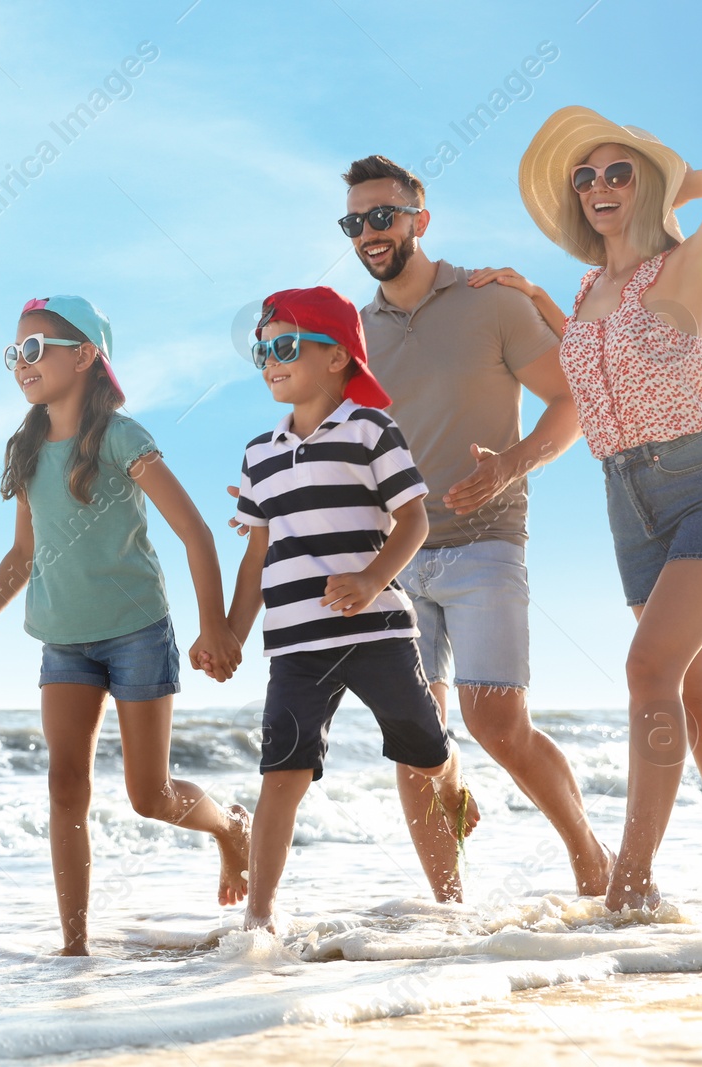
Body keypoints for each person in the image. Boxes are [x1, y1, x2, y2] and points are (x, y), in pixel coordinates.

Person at [517, 106, 702, 911]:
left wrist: (673, 182)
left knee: (649, 670)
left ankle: (628, 888)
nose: (599, 186)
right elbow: (590, 363)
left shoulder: (679, 271)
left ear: (646, 187)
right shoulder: (586, 288)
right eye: (585, 176)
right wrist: (532, 294)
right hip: (627, 503)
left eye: (619, 172)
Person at [0, 295, 251, 954]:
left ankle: (228, 827)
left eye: (34, 349)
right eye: (13, 353)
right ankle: (74, 946)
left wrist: (215, 626)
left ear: (83, 356)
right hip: (64, 639)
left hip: (138, 631)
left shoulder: (120, 437)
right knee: (64, 784)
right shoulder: (24, 448)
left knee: (150, 794)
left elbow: (194, 531)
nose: (20, 363)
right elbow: (23, 553)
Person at [336, 154, 611, 900]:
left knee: (496, 721)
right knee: (416, 741)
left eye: (383, 216)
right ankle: (450, 915)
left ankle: (595, 862)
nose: (370, 232)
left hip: (486, 537)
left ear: (419, 221)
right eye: (355, 222)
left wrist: (510, 465)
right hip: (393, 557)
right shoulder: (352, 335)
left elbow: (570, 403)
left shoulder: (490, 301)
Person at [221, 286, 477, 931]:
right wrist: (229, 632)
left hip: (380, 631)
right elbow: (256, 557)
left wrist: (369, 580)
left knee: (422, 753)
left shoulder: (371, 430)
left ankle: (452, 896)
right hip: (295, 644)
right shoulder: (257, 453)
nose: (269, 360)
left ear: (336, 357)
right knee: (284, 770)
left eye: (284, 345)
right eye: (261, 351)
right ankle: (260, 919)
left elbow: (414, 521)